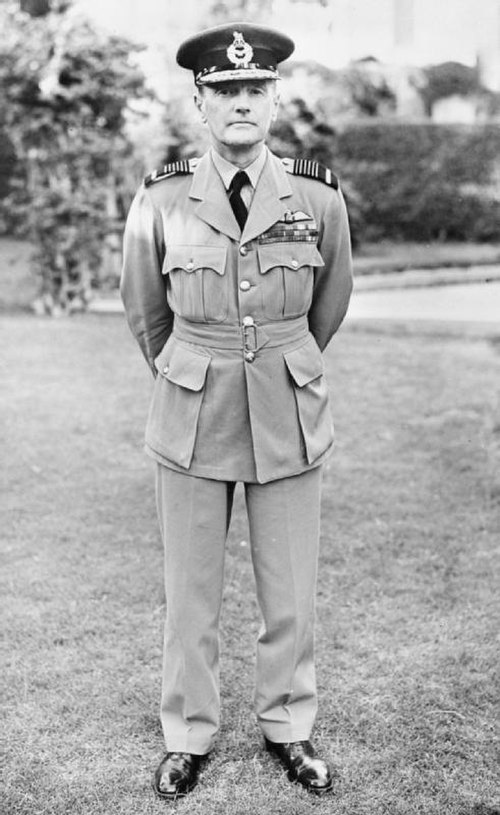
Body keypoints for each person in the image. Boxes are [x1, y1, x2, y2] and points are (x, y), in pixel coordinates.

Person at [120, 21, 353, 800]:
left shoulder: (316, 194)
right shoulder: (162, 197)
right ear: (200, 101)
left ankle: (289, 726)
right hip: (193, 407)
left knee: (289, 587)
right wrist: (191, 368)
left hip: (285, 407)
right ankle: (188, 732)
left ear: (274, 96)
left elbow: (329, 303)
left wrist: (286, 359)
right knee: (191, 591)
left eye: (255, 89)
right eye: (226, 91)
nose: (242, 103)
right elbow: (146, 311)